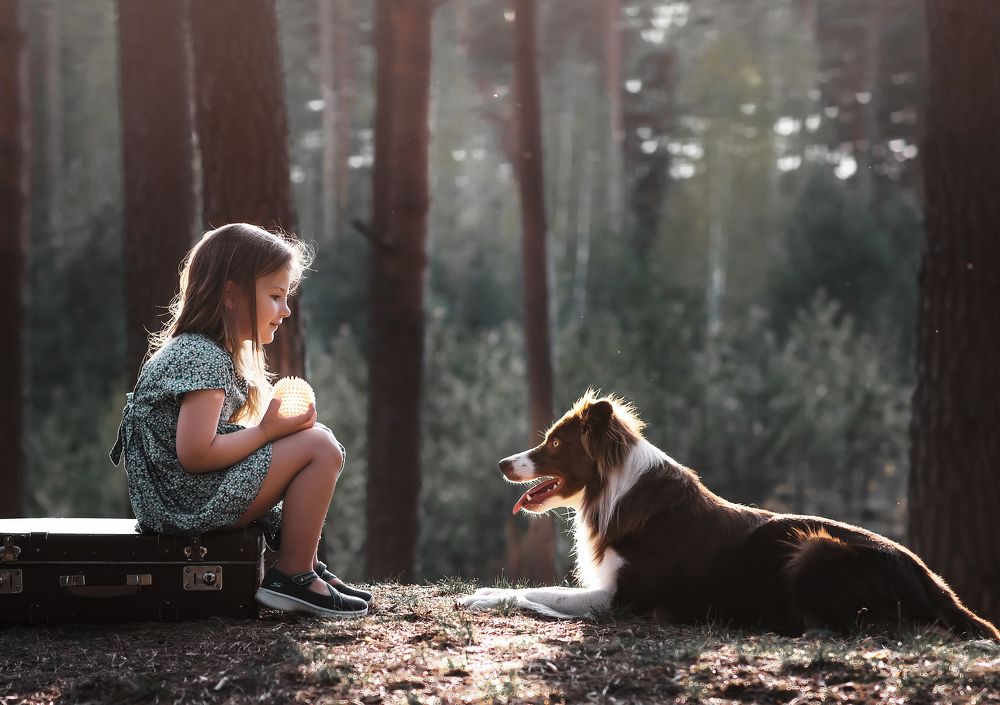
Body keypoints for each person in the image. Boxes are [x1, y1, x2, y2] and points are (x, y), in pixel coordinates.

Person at [110, 223, 372, 618]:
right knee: (319, 447)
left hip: (181, 498)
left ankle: (305, 564)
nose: (285, 310)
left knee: (318, 438)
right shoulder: (201, 357)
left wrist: (272, 434)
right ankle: (292, 576)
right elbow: (196, 454)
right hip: (186, 504)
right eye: (275, 296)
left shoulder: (202, 352)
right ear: (231, 295)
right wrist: (267, 432)